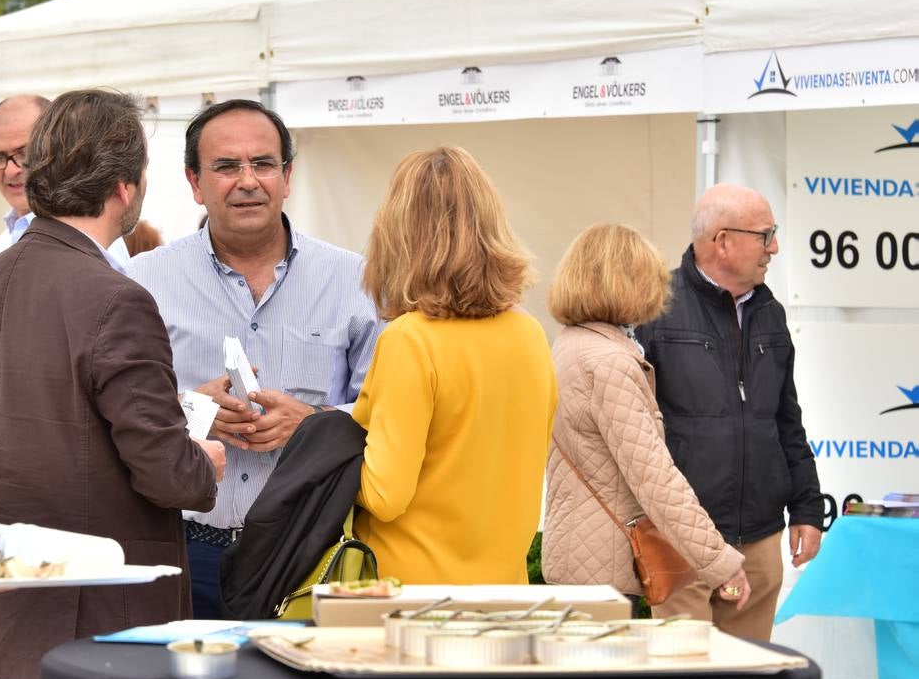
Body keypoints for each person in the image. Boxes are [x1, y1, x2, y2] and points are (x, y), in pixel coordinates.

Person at [0, 89, 225, 679]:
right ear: (126, 185)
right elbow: (163, 469)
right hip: (97, 622)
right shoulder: (117, 299)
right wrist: (204, 461)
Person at [128, 98, 381, 618]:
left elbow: (387, 415)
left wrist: (314, 424)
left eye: (263, 164)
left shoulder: (357, 282)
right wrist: (189, 410)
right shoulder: (143, 282)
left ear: (287, 176)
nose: (248, 180)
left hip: (306, 553)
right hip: (181, 549)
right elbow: (110, 410)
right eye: (226, 167)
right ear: (195, 183)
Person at [351, 146, 555, 584]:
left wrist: (329, 452)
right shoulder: (529, 334)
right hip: (502, 586)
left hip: (409, 593)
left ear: (399, 233)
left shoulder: (410, 340)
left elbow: (385, 494)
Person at [635, 184, 824, 640]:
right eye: (765, 235)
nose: (774, 248)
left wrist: (807, 507)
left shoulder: (770, 313)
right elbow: (636, 433)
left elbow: (786, 420)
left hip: (758, 539)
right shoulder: (654, 307)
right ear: (723, 240)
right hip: (683, 540)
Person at [542, 224, 751, 614]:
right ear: (633, 283)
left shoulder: (570, 345)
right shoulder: (609, 363)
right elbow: (655, 478)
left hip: (576, 556)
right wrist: (719, 562)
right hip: (603, 573)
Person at [0, 94, 129, 266]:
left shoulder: (92, 238)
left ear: (58, 148)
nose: (10, 170)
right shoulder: (2, 244)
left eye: (24, 153)